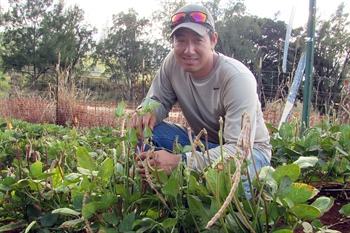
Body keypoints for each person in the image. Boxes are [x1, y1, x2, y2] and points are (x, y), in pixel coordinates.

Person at [132, 3, 271, 195]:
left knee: (236, 173)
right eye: (181, 41)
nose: (189, 50)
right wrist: (147, 111)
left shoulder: (237, 78)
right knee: (144, 130)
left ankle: (231, 206)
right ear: (173, 42)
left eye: (198, 40)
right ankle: (158, 192)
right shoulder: (172, 62)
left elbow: (238, 152)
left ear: (213, 40)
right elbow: (158, 100)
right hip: (203, 143)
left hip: (250, 151)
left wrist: (179, 161)